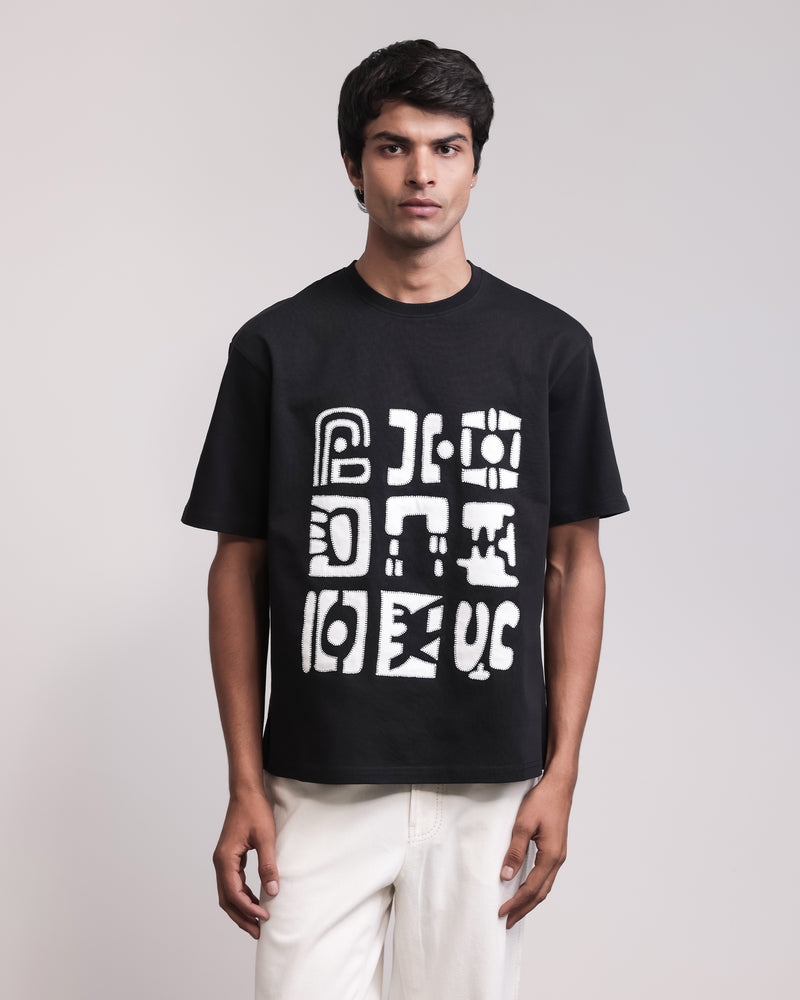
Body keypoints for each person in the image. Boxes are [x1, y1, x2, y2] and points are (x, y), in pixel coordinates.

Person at [181, 38, 630, 1000]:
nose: (421, 174)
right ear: (354, 165)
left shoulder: (549, 349)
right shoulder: (277, 347)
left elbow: (572, 563)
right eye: (393, 147)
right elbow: (237, 570)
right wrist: (245, 782)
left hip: (490, 785)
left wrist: (562, 773)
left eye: (447, 147)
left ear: (475, 164)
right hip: (321, 779)